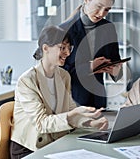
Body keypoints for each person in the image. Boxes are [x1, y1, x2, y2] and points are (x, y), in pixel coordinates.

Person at [10, 26, 108, 158]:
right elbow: (41, 123)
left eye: (69, 48)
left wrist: (90, 123)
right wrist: (71, 115)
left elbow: (70, 109)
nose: (68, 53)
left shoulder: (64, 76)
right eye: (62, 47)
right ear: (45, 48)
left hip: (54, 142)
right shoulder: (27, 81)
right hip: (29, 149)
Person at [59, 0, 122, 108]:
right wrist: (90, 67)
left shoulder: (108, 28)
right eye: (98, 6)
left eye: (107, 10)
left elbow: (115, 61)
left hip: (99, 101)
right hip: (72, 101)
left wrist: (116, 72)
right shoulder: (64, 30)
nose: (101, 13)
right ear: (86, 1)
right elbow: (58, 72)